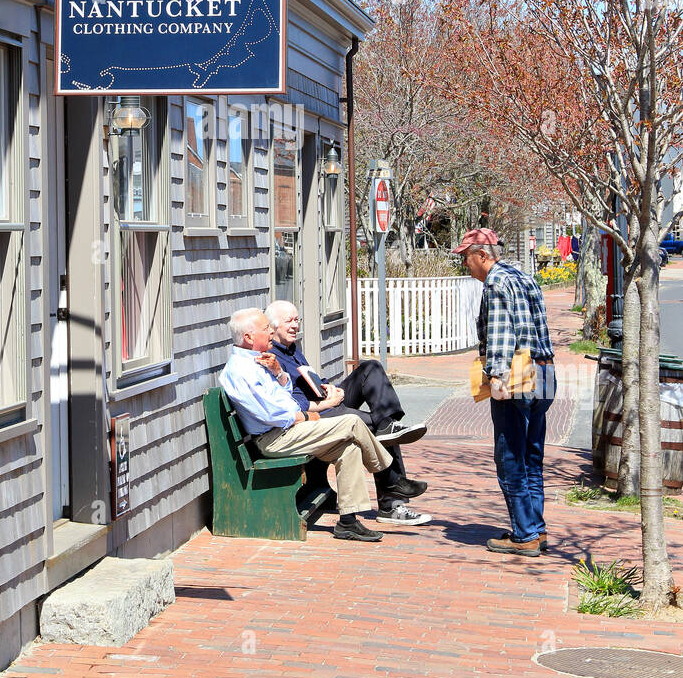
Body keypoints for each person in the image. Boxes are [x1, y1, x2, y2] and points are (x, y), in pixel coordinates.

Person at [219, 309, 430, 541]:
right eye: (265, 328)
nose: (270, 331)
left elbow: (285, 397)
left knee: (349, 449)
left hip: (288, 430)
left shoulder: (260, 360)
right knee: (352, 422)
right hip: (276, 437)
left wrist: (279, 373)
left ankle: (348, 522)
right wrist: (306, 416)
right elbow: (271, 414)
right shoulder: (241, 371)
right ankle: (391, 480)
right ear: (249, 337)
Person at [265, 300, 430, 523]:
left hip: (326, 401)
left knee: (370, 368)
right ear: (273, 326)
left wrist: (330, 388)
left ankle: (386, 426)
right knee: (375, 427)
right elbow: (289, 404)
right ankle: (391, 502)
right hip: (315, 414)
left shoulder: (292, 348)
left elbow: (310, 378)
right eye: (289, 321)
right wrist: (326, 404)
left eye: (297, 320)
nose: (295, 325)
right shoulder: (271, 358)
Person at [455, 229, 556, 557]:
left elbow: (500, 334)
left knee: (510, 457)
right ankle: (536, 528)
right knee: (531, 456)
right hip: (545, 373)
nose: (464, 265)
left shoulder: (496, 282)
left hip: (517, 376)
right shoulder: (524, 276)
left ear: (482, 255)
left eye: (465, 257)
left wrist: (496, 378)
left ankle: (525, 534)